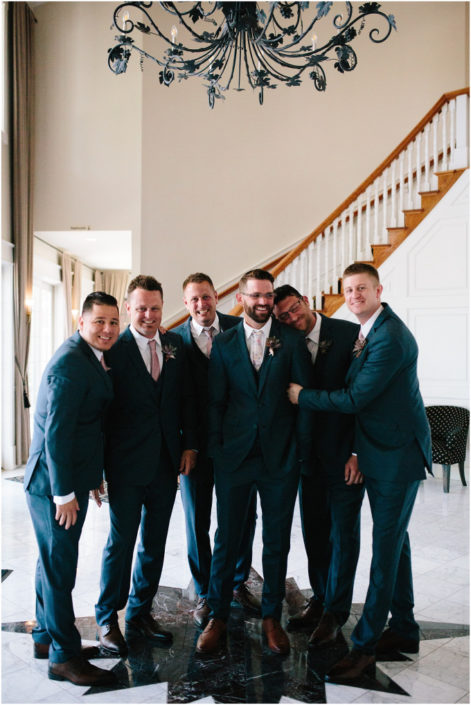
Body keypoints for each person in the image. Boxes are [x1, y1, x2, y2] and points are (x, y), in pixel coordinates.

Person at [288, 263, 432, 681]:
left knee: (384, 551)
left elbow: (356, 397)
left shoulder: (389, 337)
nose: (354, 296)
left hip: (396, 455)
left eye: (361, 289)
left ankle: (365, 646)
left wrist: (302, 395)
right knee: (396, 543)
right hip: (378, 449)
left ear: (378, 290)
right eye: (348, 290)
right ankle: (404, 628)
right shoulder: (369, 329)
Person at [196, 269, 313, 656]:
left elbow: (303, 402)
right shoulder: (225, 344)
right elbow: (214, 402)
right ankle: (217, 615)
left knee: (276, 539)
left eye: (269, 295)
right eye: (256, 295)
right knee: (227, 537)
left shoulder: (291, 342)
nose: (263, 302)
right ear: (242, 297)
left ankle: (270, 617)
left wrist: (299, 450)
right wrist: (217, 451)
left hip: (280, 459)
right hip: (235, 457)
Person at [95, 275, 198, 656]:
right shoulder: (112, 350)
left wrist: (190, 447)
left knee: (154, 543)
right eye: (141, 308)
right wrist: (98, 471)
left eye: (155, 307)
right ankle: (107, 617)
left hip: (165, 463)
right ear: (128, 309)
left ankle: (140, 612)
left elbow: (185, 399)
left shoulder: (175, 344)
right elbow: (99, 415)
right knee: (120, 543)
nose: (150, 315)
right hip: (124, 466)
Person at [24, 292, 120, 687]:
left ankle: (47, 637)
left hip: (68, 480)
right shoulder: (69, 365)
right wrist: (65, 493)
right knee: (59, 569)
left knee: (51, 563)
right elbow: (58, 437)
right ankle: (63, 657)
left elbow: (86, 429)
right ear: (81, 322)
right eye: (99, 321)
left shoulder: (87, 357)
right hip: (52, 486)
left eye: (113, 322)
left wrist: (92, 477)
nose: (108, 329)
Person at [273, 285, 364, 646]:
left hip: (345, 457)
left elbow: (362, 398)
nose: (292, 318)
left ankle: (336, 612)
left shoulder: (347, 334)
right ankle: (321, 598)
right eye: (283, 316)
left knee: (344, 536)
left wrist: (358, 451)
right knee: (315, 534)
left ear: (306, 302)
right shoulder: (283, 342)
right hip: (306, 459)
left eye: (294, 309)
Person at [174, 273, 259, 628]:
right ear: (186, 303)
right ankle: (208, 589)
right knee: (197, 520)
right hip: (193, 448)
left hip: (236, 446)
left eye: (206, 297)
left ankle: (237, 582)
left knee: (242, 517)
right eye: (194, 299)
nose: (201, 305)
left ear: (217, 297)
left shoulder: (241, 330)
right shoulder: (173, 341)